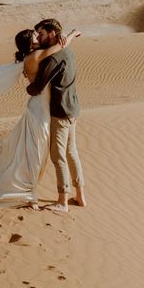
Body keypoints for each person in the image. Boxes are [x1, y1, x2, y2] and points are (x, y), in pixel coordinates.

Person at [0, 25, 81, 208]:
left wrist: (63, 34)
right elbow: (60, 47)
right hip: (39, 111)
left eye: (39, 34)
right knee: (34, 153)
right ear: (30, 42)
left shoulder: (36, 53)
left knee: (34, 152)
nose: (38, 37)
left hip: (44, 109)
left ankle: (30, 192)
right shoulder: (34, 57)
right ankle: (28, 194)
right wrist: (71, 34)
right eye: (35, 36)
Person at [26, 18, 86, 213]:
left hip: (60, 112)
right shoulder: (66, 51)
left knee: (57, 156)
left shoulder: (52, 59)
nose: (39, 38)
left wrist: (28, 82)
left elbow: (36, 88)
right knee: (71, 152)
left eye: (42, 34)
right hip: (74, 108)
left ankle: (63, 201)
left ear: (53, 33)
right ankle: (80, 196)